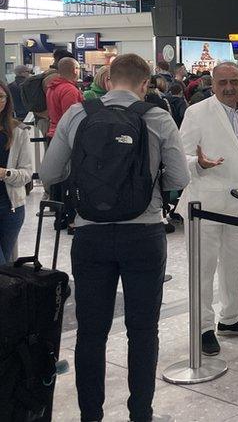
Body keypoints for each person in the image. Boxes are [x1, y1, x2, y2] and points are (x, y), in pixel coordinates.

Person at [38, 54, 190, 422]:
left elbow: (50, 172)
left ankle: (91, 415)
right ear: (145, 84)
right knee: (142, 330)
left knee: (92, 332)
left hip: (91, 235)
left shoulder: (78, 114)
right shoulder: (157, 117)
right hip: (144, 234)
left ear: (108, 81)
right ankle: (141, 413)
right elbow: (179, 178)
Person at [178, 61, 238, 356]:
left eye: (234, 81)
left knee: (233, 266)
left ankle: (230, 317)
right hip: (205, 204)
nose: (229, 87)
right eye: (222, 82)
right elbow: (179, 157)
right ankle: (203, 326)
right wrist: (198, 163)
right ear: (213, 84)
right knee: (204, 268)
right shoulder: (197, 113)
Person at [0, 82, 33, 265]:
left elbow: (27, 173)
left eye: (1, 97)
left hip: (10, 207)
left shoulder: (19, 132)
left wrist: (5, 173)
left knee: (6, 267)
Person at [45, 56, 84, 139]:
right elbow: (71, 117)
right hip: (65, 136)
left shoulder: (52, 87)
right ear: (75, 70)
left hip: (53, 132)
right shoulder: (70, 90)